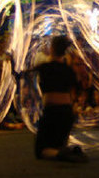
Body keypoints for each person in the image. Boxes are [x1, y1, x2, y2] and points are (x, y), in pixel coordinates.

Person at [28, 35, 87, 163]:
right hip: (67, 114)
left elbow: (24, 75)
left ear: (52, 48)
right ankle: (71, 151)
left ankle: (65, 154)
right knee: (57, 145)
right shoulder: (69, 70)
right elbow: (79, 88)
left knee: (41, 151)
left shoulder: (44, 67)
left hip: (52, 112)